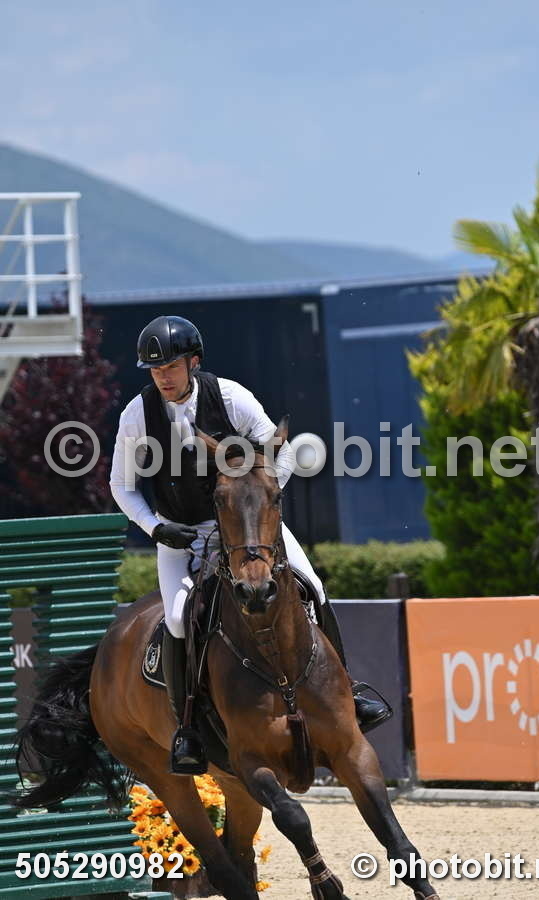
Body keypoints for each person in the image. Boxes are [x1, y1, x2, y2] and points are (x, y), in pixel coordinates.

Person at [110, 315, 391, 774]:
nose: (163, 377)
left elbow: (281, 453)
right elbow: (121, 485)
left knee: (314, 586)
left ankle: (352, 692)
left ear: (193, 362)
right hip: (182, 534)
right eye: (155, 369)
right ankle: (187, 728)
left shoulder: (231, 397)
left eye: (171, 366)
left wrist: (259, 503)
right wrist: (155, 528)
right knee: (178, 617)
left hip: (249, 529)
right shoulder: (137, 415)